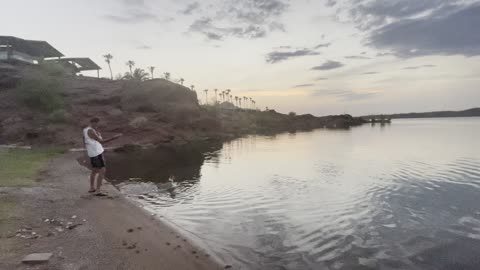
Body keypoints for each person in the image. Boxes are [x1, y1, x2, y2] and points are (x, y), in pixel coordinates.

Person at [83, 117, 121, 196]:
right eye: (97, 123)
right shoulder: (90, 130)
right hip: (96, 153)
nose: (97, 125)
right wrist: (115, 137)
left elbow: (87, 141)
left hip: (93, 152)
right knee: (102, 170)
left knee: (94, 170)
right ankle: (98, 190)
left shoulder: (86, 130)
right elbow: (102, 141)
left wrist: (97, 133)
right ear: (93, 123)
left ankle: (92, 188)